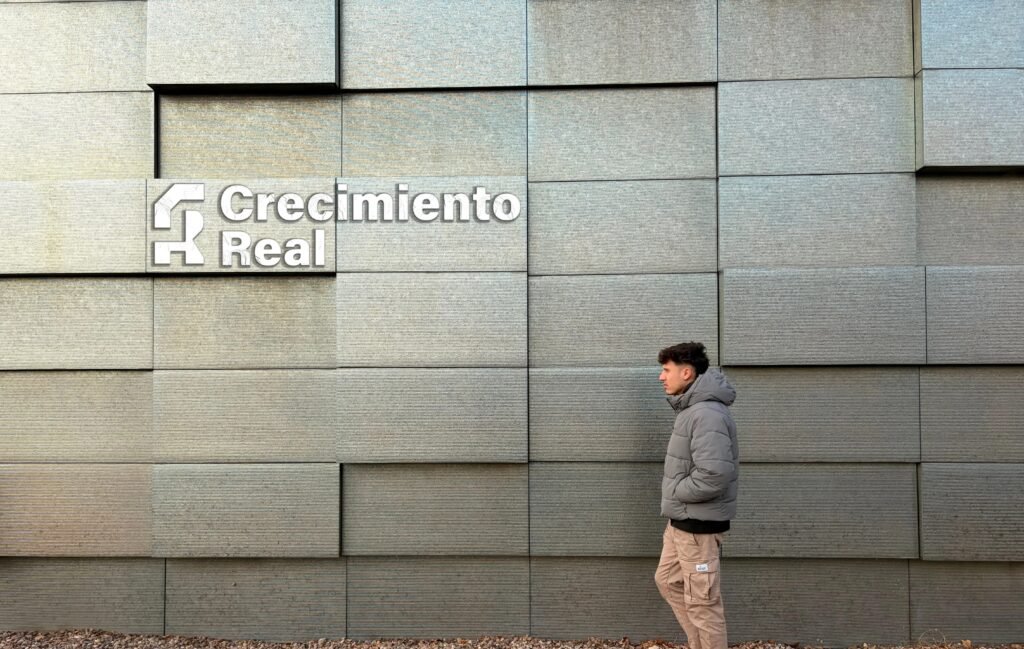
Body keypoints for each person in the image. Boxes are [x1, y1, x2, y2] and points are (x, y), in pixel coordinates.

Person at [653, 341, 738, 649]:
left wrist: (677, 492)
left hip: (697, 526)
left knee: (703, 603)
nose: (662, 377)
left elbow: (715, 474)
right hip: (682, 522)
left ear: (686, 373)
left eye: (667, 370)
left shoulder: (706, 414)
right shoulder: (692, 410)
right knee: (668, 580)